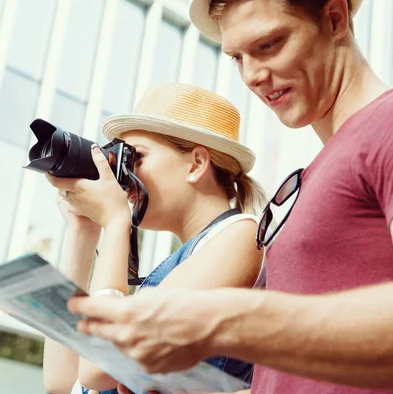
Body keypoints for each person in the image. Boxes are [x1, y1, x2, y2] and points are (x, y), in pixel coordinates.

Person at [67, 0, 393, 393]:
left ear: (335, 18)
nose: (253, 75)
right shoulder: (307, 181)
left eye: (269, 45)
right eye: (237, 57)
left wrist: (218, 320)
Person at [42, 82, 266, 394]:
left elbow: (101, 369)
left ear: (197, 164)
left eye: (137, 158)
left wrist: (116, 221)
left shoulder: (240, 236)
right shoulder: (186, 262)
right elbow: (62, 382)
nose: (125, 176)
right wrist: (83, 231)